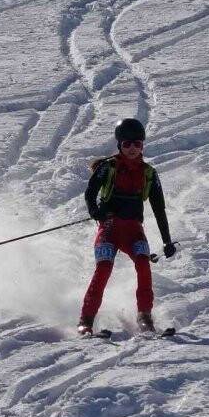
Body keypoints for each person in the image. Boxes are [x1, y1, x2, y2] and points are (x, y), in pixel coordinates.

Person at [78, 118, 176, 335]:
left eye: (137, 144)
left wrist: (167, 240)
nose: (132, 149)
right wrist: (96, 213)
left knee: (143, 264)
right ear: (119, 145)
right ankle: (86, 320)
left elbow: (159, 209)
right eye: (127, 144)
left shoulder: (150, 173)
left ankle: (145, 316)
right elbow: (90, 194)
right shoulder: (108, 167)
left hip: (133, 231)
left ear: (142, 145)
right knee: (104, 268)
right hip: (110, 229)